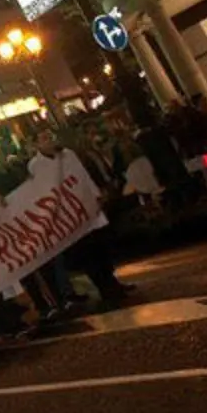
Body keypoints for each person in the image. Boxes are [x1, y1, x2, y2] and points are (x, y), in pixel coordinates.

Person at [29, 127, 135, 304]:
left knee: (101, 248)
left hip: (85, 206)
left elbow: (82, 176)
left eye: (50, 137)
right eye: (44, 138)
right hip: (69, 215)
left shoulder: (67, 154)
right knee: (87, 253)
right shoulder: (35, 165)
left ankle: (112, 282)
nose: (50, 141)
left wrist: (95, 194)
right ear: (36, 144)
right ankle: (105, 289)